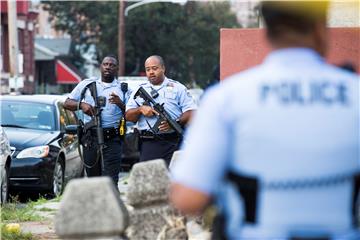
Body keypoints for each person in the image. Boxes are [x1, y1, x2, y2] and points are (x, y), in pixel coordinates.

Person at [170, 1, 359, 239]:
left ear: (267, 32)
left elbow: (188, 198)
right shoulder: (355, 94)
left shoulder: (226, 99)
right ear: (320, 28)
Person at [64, 55, 126, 185]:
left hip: (113, 138)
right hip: (91, 138)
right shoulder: (87, 84)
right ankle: (96, 205)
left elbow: (131, 113)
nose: (108, 67)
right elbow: (67, 103)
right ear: (100, 66)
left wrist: (120, 103)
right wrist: (81, 105)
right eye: (105, 64)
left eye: (112, 65)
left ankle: (111, 205)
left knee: (111, 180)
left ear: (117, 68)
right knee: (93, 180)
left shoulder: (123, 88)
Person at [125, 55, 196, 165]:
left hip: (173, 143)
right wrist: (140, 110)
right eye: (148, 69)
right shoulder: (139, 90)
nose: (151, 72)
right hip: (149, 144)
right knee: (149, 179)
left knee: (173, 179)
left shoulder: (177, 88)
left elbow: (191, 113)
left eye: (154, 68)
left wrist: (174, 123)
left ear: (163, 68)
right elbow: (128, 116)